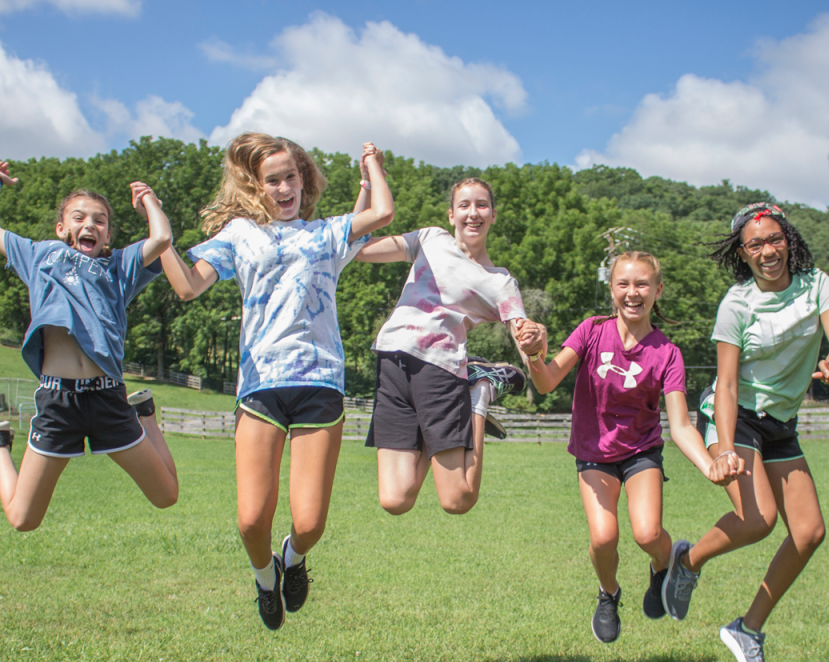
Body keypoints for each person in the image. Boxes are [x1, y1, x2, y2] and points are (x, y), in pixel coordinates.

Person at [158, 133, 394, 631]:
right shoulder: (241, 234)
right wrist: (160, 239)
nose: (284, 186)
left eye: (292, 176)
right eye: (273, 180)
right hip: (261, 387)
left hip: (320, 384)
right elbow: (186, 285)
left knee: (309, 523)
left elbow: (381, 214)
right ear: (256, 186)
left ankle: (292, 555)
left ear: (303, 180)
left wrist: (372, 166)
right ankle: (265, 577)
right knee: (250, 521)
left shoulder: (326, 233)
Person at [664, 203, 829, 662]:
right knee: (758, 519)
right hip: (738, 417)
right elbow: (726, 385)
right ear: (742, 253)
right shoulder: (736, 304)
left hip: (782, 425)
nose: (767, 251)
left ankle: (747, 629)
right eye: (755, 245)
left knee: (810, 532)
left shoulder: (818, 284)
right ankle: (686, 563)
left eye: (774, 239)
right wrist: (724, 446)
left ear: (788, 239)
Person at [520, 251, 720, 643]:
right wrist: (533, 355)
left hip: (641, 451)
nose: (633, 293)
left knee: (647, 535)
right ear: (611, 289)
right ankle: (609, 594)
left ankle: (665, 566)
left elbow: (679, 424)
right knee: (603, 538)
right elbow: (547, 382)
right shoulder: (592, 330)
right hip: (594, 453)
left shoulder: (668, 353)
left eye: (642, 284)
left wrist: (710, 464)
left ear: (658, 290)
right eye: (624, 284)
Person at [0, 164, 179, 532]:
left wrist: (149, 202)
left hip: (107, 399)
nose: (90, 225)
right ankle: (1, 444)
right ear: (61, 228)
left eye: (100, 221)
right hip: (57, 401)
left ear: (108, 233)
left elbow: (161, 239)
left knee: (167, 495)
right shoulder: (39, 256)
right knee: (22, 520)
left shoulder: (118, 268)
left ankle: (145, 414)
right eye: (79, 217)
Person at [353, 177, 544, 517]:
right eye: (464, 205)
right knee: (395, 500)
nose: (473, 213)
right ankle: (467, 393)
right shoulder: (430, 239)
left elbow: (523, 335)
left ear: (494, 215)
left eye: (482, 205)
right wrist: (369, 180)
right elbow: (358, 247)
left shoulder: (499, 282)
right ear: (451, 214)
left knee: (458, 500)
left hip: (439, 371)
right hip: (391, 364)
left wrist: (534, 340)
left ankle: (479, 391)